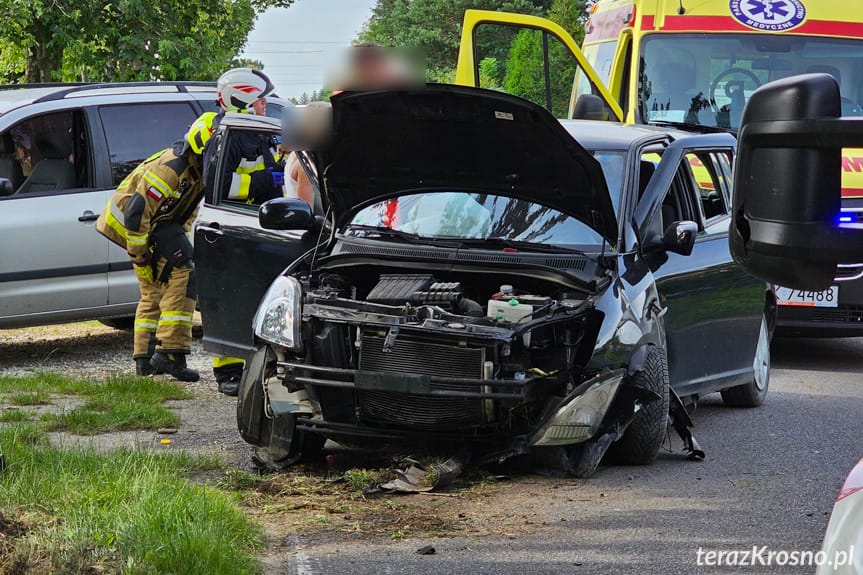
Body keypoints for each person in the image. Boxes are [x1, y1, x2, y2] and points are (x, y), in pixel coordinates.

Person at [96, 112, 216, 382]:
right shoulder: (172, 168)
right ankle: (171, 353)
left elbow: (186, 209)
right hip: (131, 226)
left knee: (154, 289)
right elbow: (136, 214)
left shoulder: (196, 167)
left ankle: (145, 360)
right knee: (185, 273)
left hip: (153, 225)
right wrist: (140, 258)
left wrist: (180, 237)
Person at [205, 67, 287, 396]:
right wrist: (267, 181)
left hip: (259, 226)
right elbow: (219, 184)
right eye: (260, 100)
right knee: (232, 296)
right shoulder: (229, 135)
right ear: (241, 100)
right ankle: (228, 372)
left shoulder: (255, 133)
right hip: (232, 226)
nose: (265, 105)